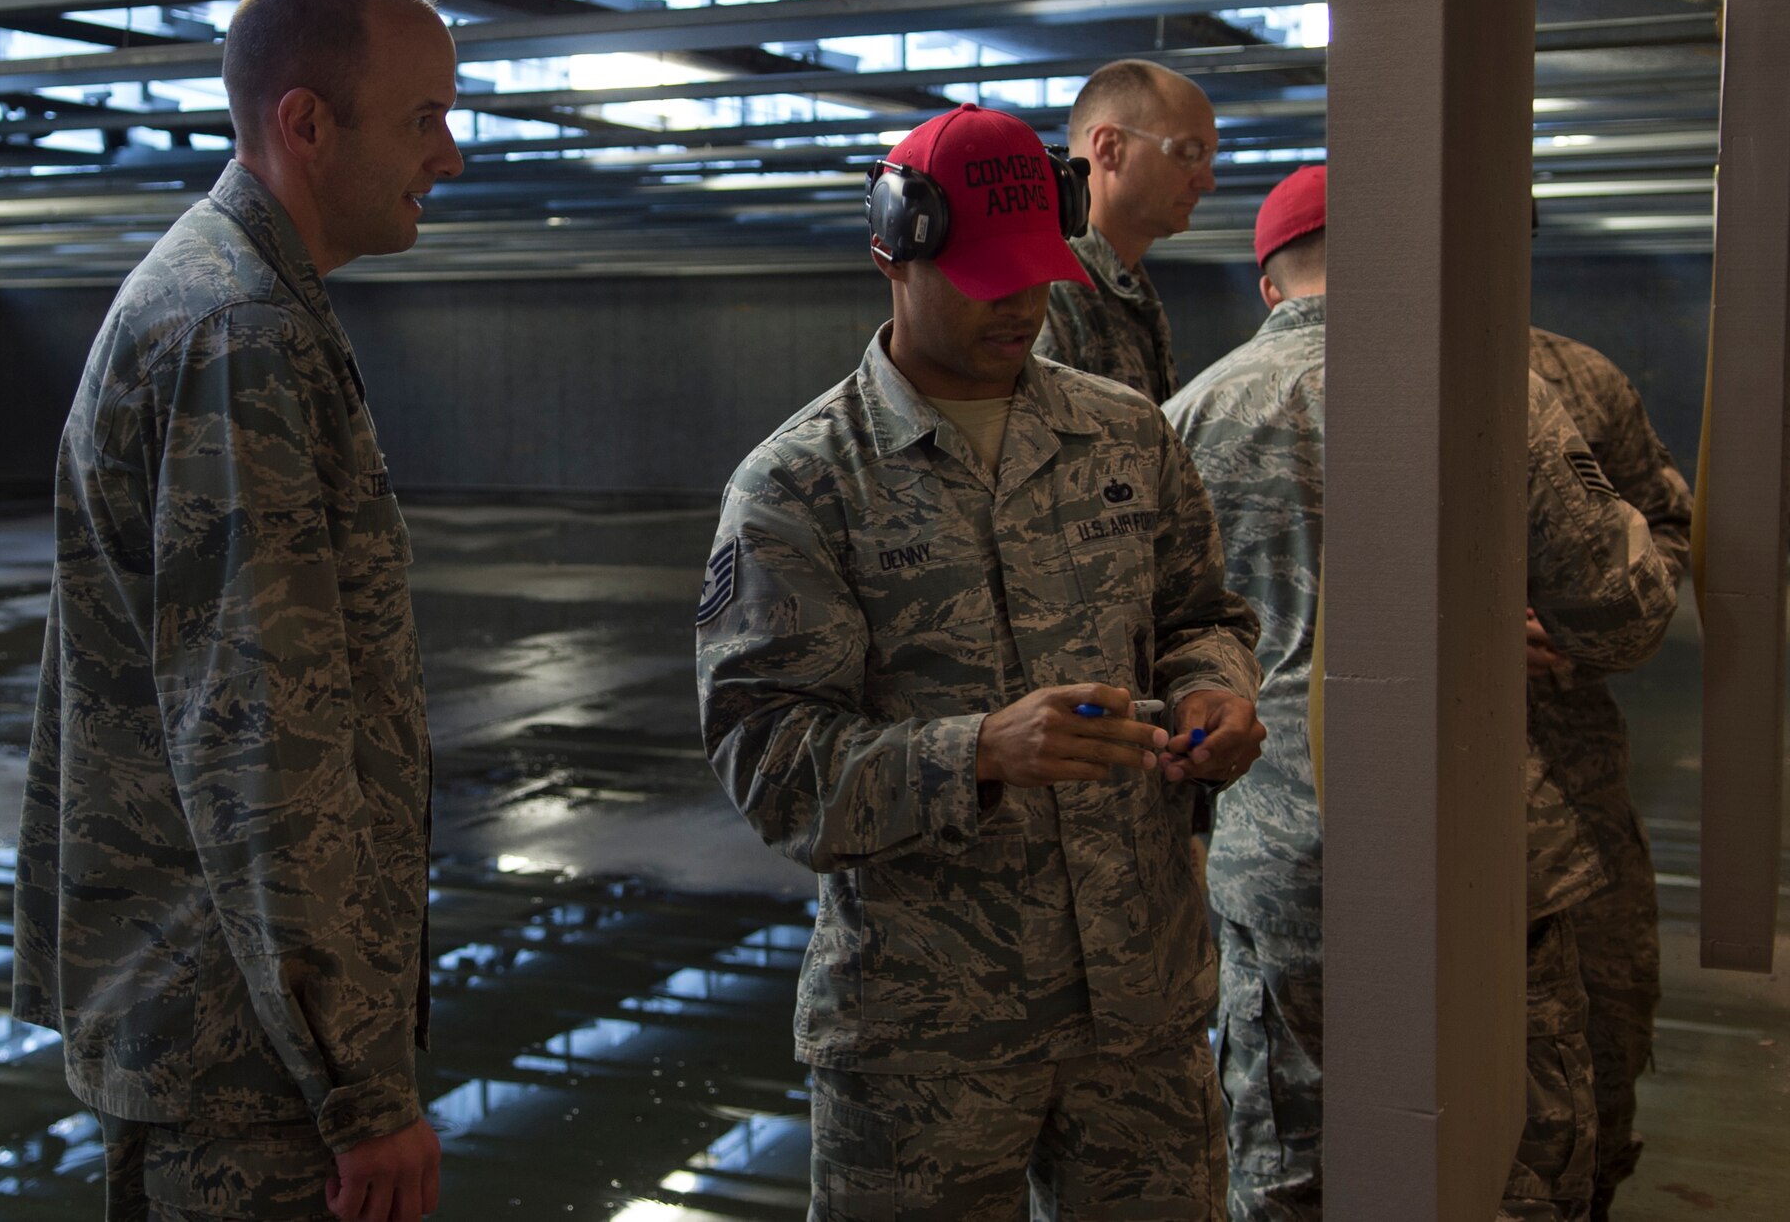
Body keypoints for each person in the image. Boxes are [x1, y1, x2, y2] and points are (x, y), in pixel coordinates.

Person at [697, 102, 1267, 1221]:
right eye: (981, 277)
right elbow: (768, 762)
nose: (1020, 303)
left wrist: (1218, 690)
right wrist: (978, 752)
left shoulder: (1125, 435)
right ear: (890, 259)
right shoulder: (802, 486)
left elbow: (1201, 612)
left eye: (1036, 272)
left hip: (1138, 1014)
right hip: (924, 1040)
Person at [12, 0, 463, 1222]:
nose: (454, 154)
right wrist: (360, 1089)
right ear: (305, 123)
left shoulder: (234, 299)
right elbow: (260, 733)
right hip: (244, 1075)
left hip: (212, 1026)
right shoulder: (237, 333)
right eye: (424, 116)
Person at [1164, 165, 1678, 1222]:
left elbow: (1142, 651)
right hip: (1480, 849)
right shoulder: (1489, 386)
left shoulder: (1179, 419)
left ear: (1268, 285)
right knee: (1512, 1157)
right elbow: (1625, 609)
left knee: (1289, 1162)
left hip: (1278, 859)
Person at [1524, 324, 1694, 1221]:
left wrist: (1578, 626)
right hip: (1376, 792)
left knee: (1604, 1037)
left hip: (1571, 769)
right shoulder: (1310, 377)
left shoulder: (1577, 378)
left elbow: (1664, 522)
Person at [1031, 59, 1219, 403]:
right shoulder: (1049, 292)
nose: (1207, 182)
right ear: (1109, 148)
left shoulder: (1125, 290)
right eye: (1189, 153)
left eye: (1209, 159)